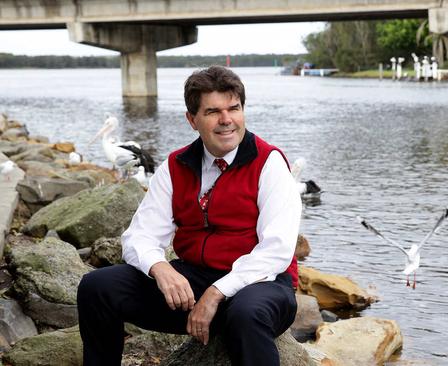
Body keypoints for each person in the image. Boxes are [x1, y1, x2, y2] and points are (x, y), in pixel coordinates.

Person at [77, 65, 302, 366]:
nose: (226, 120)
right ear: (192, 120)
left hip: (261, 286)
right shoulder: (175, 165)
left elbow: (276, 250)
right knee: (98, 288)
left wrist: (217, 292)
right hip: (193, 280)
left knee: (246, 314)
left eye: (234, 108)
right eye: (213, 112)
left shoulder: (269, 163)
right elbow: (140, 236)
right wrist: (160, 267)